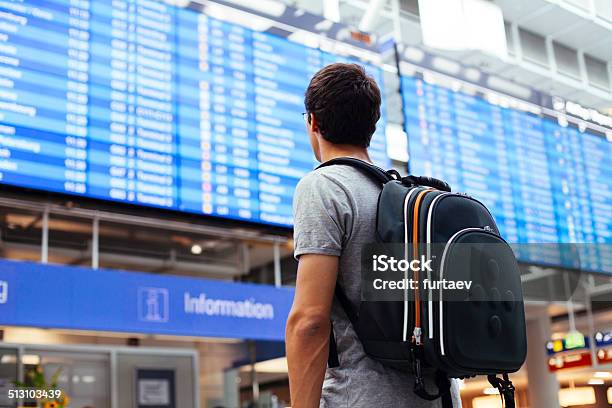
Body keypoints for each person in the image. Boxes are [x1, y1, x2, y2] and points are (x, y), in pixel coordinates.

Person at [285, 63, 461, 407]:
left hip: (364, 397)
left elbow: (308, 321)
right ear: (373, 127)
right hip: (439, 398)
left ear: (313, 123)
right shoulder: (408, 198)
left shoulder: (324, 186)